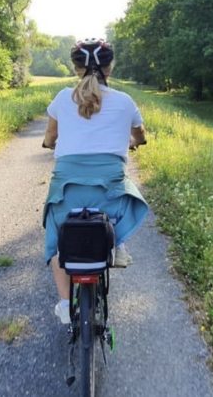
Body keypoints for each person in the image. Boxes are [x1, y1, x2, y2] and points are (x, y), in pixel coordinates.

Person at [41, 38, 149, 324]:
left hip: (68, 190)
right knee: (123, 193)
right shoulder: (125, 102)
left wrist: (51, 144)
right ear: (110, 67)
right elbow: (140, 136)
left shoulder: (62, 98)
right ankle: (118, 242)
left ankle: (65, 305)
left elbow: (50, 138)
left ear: (75, 68)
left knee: (56, 241)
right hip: (107, 194)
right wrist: (131, 141)